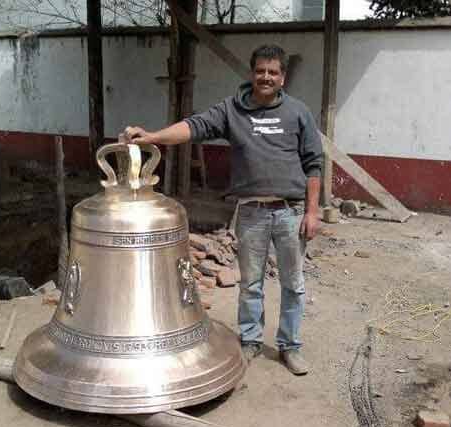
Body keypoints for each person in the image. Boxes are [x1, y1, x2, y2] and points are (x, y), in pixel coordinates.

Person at [124, 44, 323, 376]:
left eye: (273, 72)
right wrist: (153, 137)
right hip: (251, 213)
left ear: (283, 77)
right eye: (260, 71)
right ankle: (251, 341)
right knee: (251, 284)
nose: (266, 77)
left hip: (290, 213)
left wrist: (312, 213)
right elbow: (194, 126)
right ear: (252, 73)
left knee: (293, 284)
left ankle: (290, 346)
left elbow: (314, 165)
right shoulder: (232, 110)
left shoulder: (299, 112)